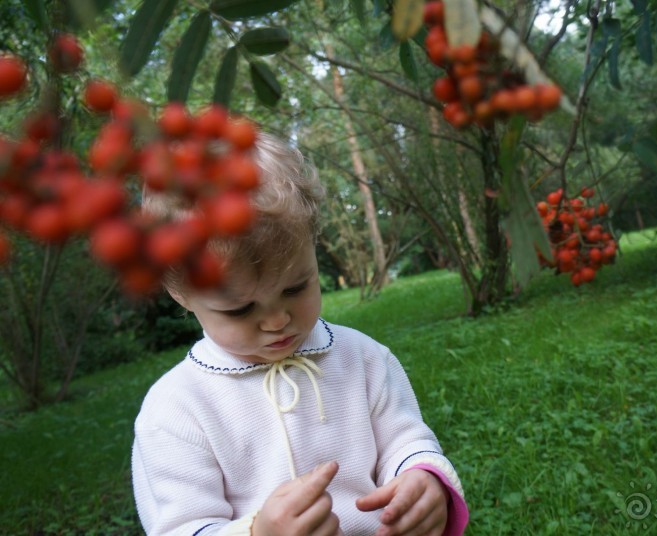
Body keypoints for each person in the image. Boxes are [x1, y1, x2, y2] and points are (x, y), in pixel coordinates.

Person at [131, 133, 469, 536]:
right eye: (240, 309)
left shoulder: (361, 359)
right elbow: (180, 527)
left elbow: (405, 439)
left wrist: (422, 477)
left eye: (296, 288)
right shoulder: (176, 411)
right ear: (181, 294)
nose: (276, 321)